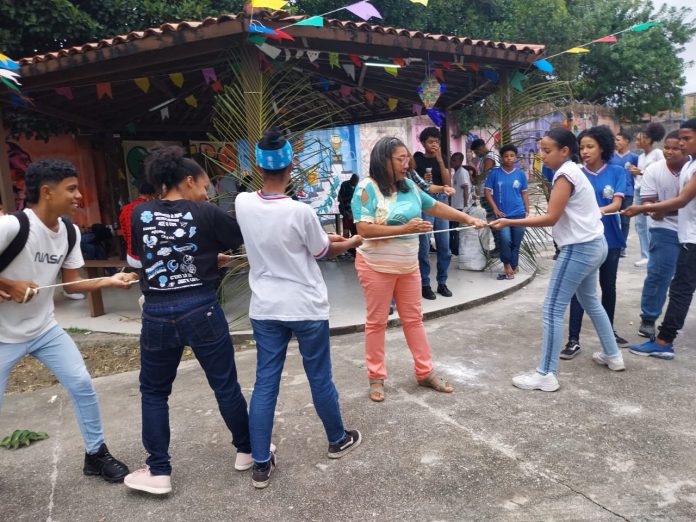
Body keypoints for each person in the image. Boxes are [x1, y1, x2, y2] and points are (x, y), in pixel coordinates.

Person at [235, 129, 363, 490]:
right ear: (292, 164)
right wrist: (350, 241)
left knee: (265, 383)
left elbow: (310, 244)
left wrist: (329, 241)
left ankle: (260, 463)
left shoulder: (243, 204)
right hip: (306, 307)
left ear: (259, 166)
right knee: (319, 376)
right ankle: (336, 440)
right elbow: (322, 252)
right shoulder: (301, 211)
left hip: (266, 308)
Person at [124, 147, 252, 495]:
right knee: (225, 385)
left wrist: (209, 257)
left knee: (153, 392)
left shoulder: (140, 214)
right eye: (205, 185)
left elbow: (149, 257)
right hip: (202, 308)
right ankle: (247, 450)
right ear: (190, 180)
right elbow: (238, 237)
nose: (207, 192)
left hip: (157, 313)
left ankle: (159, 471)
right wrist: (211, 258)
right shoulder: (206, 212)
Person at [0, 160, 137, 482]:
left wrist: (109, 281)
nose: (79, 195)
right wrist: (9, 284)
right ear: (47, 192)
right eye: (71, 189)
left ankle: (96, 455)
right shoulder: (12, 227)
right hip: (2, 335)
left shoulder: (71, 233)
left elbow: (71, 283)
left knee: (82, 384)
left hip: (44, 329)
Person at [351, 137, 486, 402]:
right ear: (383, 160)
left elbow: (435, 206)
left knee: (414, 320)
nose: (406, 164)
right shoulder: (366, 188)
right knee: (377, 323)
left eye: (406, 158)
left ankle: (425, 372)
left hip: (408, 266)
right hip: (375, 267)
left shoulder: (410, 186)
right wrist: (405, 229)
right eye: (400, 159)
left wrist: (467, 217)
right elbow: (364, 229)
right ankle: (376, 377)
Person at [491, 128, 624, 392]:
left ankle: (546, 373)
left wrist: (509, 221)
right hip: (596, 244)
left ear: (565, 151)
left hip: (580, 249)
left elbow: (551, 217)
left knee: (552, 308)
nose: (543, 155)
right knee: (591, 301)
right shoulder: (574, 170)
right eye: (542, 150)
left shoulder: (565, 174)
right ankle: (613, 354)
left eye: (547, 150)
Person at [623, 118, 696, 360]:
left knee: (681, 289)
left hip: (690, 237)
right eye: (677, 142)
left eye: (686, 140)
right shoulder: (685, 167)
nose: (680, 146)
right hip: (677, 232)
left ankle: (664, 341)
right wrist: (651, 209)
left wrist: (641, 210)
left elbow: (682, 200)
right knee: (667, 278)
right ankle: (655, 326)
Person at [561, 126, 628, 360]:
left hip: (610, 240)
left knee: (607, 288)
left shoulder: (618, 172)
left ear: (603, 147)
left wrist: (596, 210)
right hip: (582, 241)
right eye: (582, 147)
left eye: (590, 146)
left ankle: (609, 336)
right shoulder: (575, 173)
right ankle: (573, 340)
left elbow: (617, 204)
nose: (585, 151)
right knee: (578, 292)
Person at [633, 131, 687, 339]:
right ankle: (648, 318)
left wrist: (663, 208)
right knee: (659, 273)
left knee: (684, 280)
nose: (670, 152)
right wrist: (658, 209)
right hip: (664, 227)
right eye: (667, 147)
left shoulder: (691, 169)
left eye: (676, 148)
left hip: (689, 227)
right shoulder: (654, 170)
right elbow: (650, 207)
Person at [413, 127, 453, 299]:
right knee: (424, 246)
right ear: (422, 143)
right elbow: (416, 181)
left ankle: (442, 282)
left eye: (436, 141)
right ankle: (425, 284)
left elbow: (448, 183)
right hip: (424, 202)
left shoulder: (441, 159)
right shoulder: (417, 159)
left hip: (441, 200)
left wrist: (440, 160)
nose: (434, 144)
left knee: (445, 246)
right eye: (430, 141)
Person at [484, 144, 529, 280]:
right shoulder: (495, 173)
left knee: (516, 242)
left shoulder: (520, 174)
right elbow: (487, 192)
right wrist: (495, 209)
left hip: (519, 214)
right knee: (505, 240)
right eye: (506, 156)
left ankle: (513, 266)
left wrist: (527, 209)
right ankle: (507, 265)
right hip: (502, 215)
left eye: (512, 156)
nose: (509, 158)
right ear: (502, 158)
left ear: (515, 157)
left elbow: (524, 193)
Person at [629, 123, 666, 267]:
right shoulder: (641, 156)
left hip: (652, 192)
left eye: (640, 139)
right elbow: (640, 175)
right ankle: (645, 254)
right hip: (639, 190)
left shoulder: (658, 154)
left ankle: (653, 253)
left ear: (649, 140)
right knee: (640, 225)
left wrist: (641, 172)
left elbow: (660, 173)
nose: (637, 142)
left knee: (651, 223)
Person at [609, 129, 639, 257]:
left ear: (626, 141)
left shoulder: (634, 157)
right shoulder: (611, 157)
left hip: (628, 192)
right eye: (615, 140)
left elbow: (639, 173)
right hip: (613, 192)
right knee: (612, 219)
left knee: (625, 221)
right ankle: (613, 243)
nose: (616, 142)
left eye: (618, 140)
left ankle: (622, 246)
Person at [471, 138, 502, 257]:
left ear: (481, 147)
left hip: (490, 193)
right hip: (489, 193)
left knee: (492, 220)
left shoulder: (489, 157)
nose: (476, 154)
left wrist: (475, 177)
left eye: (476, 151)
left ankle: (499, 248)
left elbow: (485, 174)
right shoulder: (489, 157)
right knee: (492, 220)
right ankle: (498, 247)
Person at [119, 182, 157, 267]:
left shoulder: (126, 209)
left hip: (131, 257)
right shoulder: (152, 209)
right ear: (150, 195)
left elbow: (125, 234)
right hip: (147, 257)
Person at [449, 153, 474, 256]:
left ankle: (456, 250)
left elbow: (465, 189)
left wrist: (465, 206)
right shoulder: (456, 173)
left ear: (460, 161)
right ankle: (454, 249)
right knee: (453, 229)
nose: (452, 162)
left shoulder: (462, 173)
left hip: (460, 207)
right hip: (455, 206)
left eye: (454, 160)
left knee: (456, 230)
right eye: (452, 160)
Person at [338, 174, 359, 239]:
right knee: (346, 232)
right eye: (355, 182)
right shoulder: (344, 185)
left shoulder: (357, 187)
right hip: (346, 211)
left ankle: (353, 244)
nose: (356, 183)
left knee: (355, 232)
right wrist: (346, 213)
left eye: (357, 182)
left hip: (354, 213)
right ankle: (346, 244)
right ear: (351, 179)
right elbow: (340, 199)